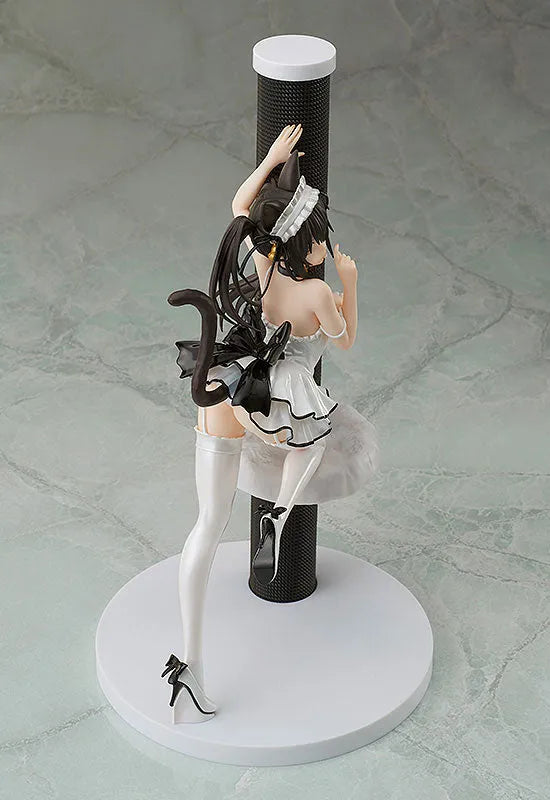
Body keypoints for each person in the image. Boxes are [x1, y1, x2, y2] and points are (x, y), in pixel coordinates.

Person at [162, 124, 361, 723]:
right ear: (307, 243)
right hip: (275, 400)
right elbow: (346, 342)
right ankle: (280, 511)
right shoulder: (317, 293)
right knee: (316, 438)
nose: (326, 245)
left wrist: (271, 159)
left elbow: (239, 206)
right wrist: (351, 286)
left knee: (207, 523)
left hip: (227, 385)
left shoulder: (261, 261)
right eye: (321, 237)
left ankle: (190, 663)